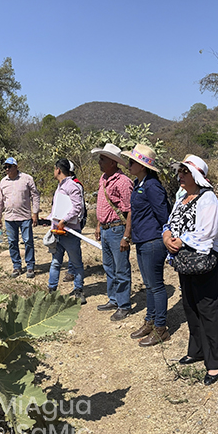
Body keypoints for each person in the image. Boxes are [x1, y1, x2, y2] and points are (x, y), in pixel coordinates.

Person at [163, 155, 218, 385]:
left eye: (185, 172)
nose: (180, 175)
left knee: (208, 309)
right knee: (190, 306)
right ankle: (197, 350)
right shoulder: (182, 197)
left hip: (204, 260)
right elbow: (170, 222)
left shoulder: (208, 199)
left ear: (197, 175)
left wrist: (180, 241)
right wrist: (166, 236)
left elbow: (207, 232)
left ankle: (215, 362)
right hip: (185, 260)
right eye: (179, 171)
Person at [122, 144, 172, 346]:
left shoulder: (152, 186)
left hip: (153, 241)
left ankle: (160, 327)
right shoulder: (139, 183)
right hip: (142, 240)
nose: (128, 164)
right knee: (149, 285)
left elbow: (163, 215)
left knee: (156, 286)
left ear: (142, 166)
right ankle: (150, 321)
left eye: (132, 162)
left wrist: (167, 237)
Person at [91, 143, 133, 321]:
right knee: (109, 267)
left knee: (121, 269)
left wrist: (126, 236)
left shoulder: (123, 182)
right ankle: (114, 299)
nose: (99, 162)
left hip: (117, 229)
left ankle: (124, 305)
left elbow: (130, 211)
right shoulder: (103, 178)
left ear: (113, 162)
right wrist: (99, 225)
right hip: (106, 229)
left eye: (102, 159)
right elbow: (104, 205)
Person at [0, 157, 41, 278]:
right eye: (5, 167)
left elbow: (35, 196)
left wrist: (35, 213)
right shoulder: (3, 182)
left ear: (16, 167)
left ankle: (30, 266)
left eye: (9, 166)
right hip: (9, 218)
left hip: (25, 217)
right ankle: (16, 266)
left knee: (28, 241)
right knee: (12, 242)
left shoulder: (27, 179)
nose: (7, 169)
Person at [47, 158, 86, 304]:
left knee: (76, 263)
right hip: (57, 232)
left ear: (58, 170)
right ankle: (51, 291)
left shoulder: (72, 186)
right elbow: (58, 208)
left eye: (54, 168)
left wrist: (64, 220)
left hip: (70, 232)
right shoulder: (60, 186)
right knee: (55, 263)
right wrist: (50, 219)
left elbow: (77, 208)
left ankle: (78, 291)